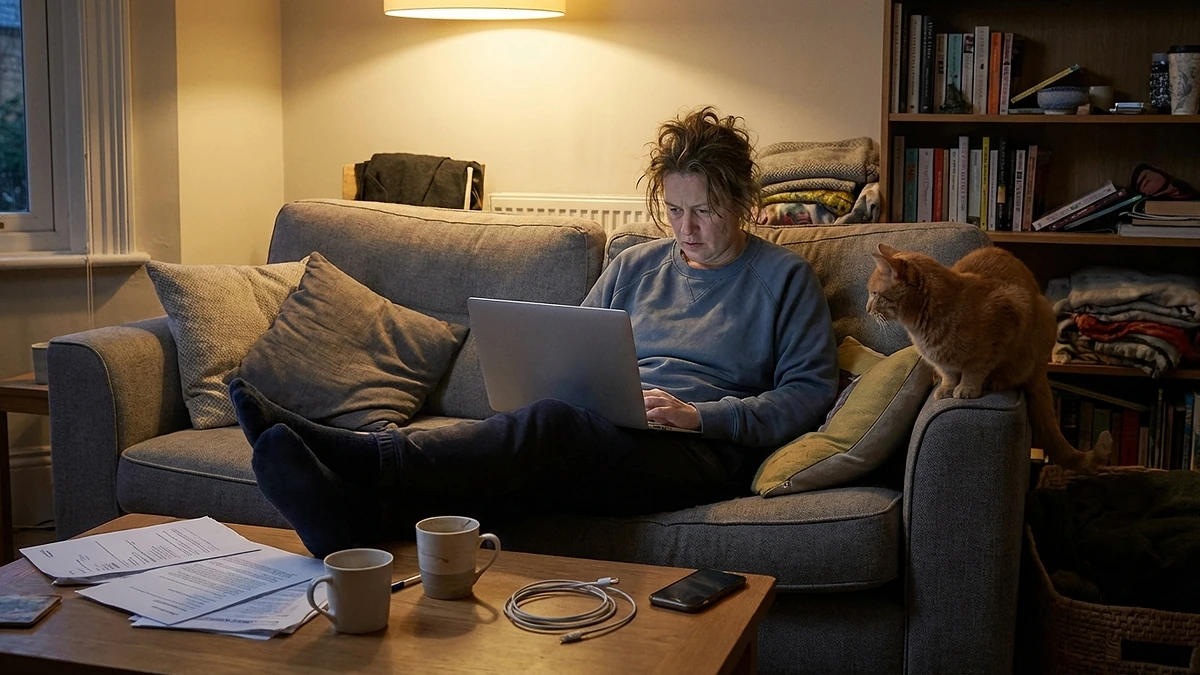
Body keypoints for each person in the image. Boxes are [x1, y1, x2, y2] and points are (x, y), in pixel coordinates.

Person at [231, 106, 839, 557]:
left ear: (741, 200)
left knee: (547, 429)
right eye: (675, 210)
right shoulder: (635, 266)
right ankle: (355, 519)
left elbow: (809, 397)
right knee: (530, 446)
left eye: (704, 210)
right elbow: (576, 344)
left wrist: (700, 417)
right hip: (609, 431)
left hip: (703, 450)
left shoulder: (783, 278)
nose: (687, 228)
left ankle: (365, 452)